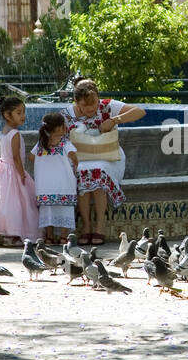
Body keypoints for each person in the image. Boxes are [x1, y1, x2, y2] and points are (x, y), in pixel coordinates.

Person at [61, 78, 145, 245]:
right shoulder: (67, 114)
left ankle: (100, 225)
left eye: (94, 103)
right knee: (81, 172)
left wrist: (115, 120)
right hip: (81, 157)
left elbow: (140, 111)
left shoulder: (107, 106)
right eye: (85, 105)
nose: (91, 108)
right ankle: (86, 227)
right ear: (76, 102)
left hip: (108, 157)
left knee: (98, 171)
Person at [0, 96, 39, 245]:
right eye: (19, 113)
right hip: (13, 171)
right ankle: (14, 233)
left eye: (24, 112)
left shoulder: (5, 131)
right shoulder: (15, 134)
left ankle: (9, 234)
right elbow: (16, 157)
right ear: (7, 115)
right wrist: (22, 174)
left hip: (4, 171)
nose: (23, 116)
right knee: (18, 203)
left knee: (7, 203)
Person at [32, 112, 79, 244]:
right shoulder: (65, 143)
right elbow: (74, 158)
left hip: (46, 186)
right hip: (63, 184)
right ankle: (64, 237)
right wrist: (75, 167)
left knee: (48, 210)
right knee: (65, 209)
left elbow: (31, 157)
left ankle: (49, 237)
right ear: (59, 128)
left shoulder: (41, 144)